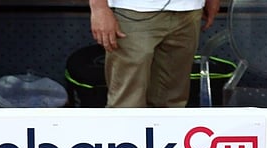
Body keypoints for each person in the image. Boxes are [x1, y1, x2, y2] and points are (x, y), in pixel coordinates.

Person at [89, 0, 221, 109]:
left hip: (189, 9)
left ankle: (168, 140)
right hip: (132, 9)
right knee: (127, 102)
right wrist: (99, 8)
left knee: (173, 101)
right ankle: (126, 139)